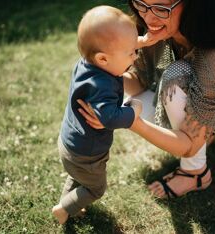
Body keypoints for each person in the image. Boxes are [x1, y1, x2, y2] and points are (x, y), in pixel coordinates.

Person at [77, 0, 215, 199]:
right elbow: (139, 81)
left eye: (162, 7)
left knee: (176, 78)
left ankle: (195, 173)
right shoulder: (157, 26)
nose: (149, 19)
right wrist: (99, 76)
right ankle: (208, 131)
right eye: (141, 4)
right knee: (137, 98)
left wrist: (130, 121)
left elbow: (187, 146)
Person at [51, 6, 151, 224]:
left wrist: (137, 42)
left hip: (71, 144)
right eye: (131, 52)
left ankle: (67, 207)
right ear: (104, 59)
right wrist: (133, 110)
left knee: (77, 176)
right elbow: (111, 118)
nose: (136, 55)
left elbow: (118, 50)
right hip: (88, 153)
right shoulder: (102, 85)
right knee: (96, 188)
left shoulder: (87, 64)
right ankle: (64, 208)